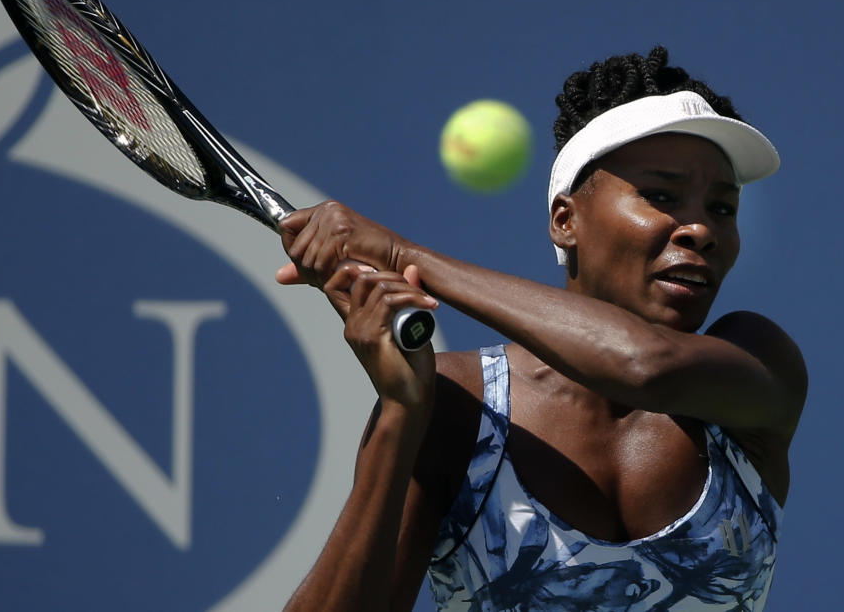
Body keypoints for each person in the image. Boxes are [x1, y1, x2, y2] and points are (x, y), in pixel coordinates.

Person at [276, 46, 807, 611]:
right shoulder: (456, 403)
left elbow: (644, 366)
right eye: (660, 196)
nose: (700, 229)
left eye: (722, 209)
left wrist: (404, 255)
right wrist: (402, 416)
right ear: (565, 220)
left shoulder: (757, 363)